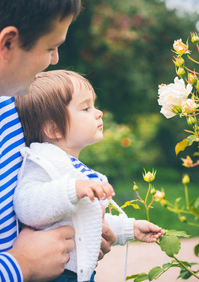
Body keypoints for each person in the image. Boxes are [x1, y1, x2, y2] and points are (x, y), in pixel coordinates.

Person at [0, 0, 116, 281]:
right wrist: (20, 265)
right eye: (51, 47)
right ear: (8, 43)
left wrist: (75, 235)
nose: (55, 60)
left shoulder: (11, 104)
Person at [14, 70, 165, 282]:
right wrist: (73, 188)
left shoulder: (68, 164)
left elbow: (86, 219)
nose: (99, 112)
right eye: (85, 108)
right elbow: (26, 206)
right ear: (54, 128)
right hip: (55, 275)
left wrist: (130, 228)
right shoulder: (41, 161)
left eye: (93, 105)